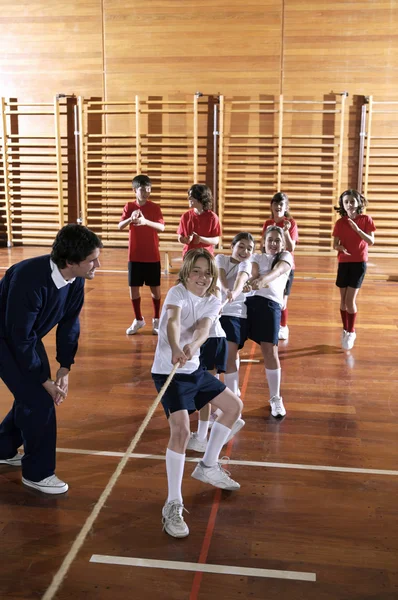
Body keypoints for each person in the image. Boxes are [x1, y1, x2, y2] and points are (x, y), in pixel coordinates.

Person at [0, 224, 103, 494]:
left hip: (23, 338)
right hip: (5, 340)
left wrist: (64, 367)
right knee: (38, 399)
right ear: (70, 262)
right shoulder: (28, 279)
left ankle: (2, 447)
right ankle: (38, 472)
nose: (98, 264)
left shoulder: (76, 279)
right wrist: (41, 379)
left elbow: (69, 324)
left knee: (33, 396)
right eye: (92, 260)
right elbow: (17, 337)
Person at [151, 248, 243, 538]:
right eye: (196, 271)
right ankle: (172, 503)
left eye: (207, 272)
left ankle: (208, 465)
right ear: (186, 272)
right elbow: (173, 322)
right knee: (180, 431)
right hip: (169, 373)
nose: (202, 277)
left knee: (233, 407)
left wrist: (194, 346)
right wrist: (178, 347)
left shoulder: (213, 301)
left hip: (193, 370)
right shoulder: (177, 293)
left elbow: (204, 328)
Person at [245, 225, 293, 418]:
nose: (273, 243)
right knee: (231, 348)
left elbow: (278, 272)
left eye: (277, 240)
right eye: (270, 240)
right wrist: (252, 281)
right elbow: (254, 272)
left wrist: (263, 280)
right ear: (263, 242)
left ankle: (275, 398)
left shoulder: (286, 257)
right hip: (248, 303)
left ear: (282, 243)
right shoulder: (255, 257)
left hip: (270, 305)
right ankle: (230, 393)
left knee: (269, 351)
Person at [118, 174, 165, 335]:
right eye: (142, 189)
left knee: (155, 290)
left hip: (152, 255)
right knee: (133, 289)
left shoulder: (154, 207)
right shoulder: (129, 206)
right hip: (135, 256)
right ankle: (138, 319)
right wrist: (130, 219)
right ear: (134, 190)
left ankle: (156, 319)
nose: (146, 192)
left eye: (148, 189)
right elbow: (120, 226)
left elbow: (161, 227)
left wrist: (146, 222)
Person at [333, 189, 376, 350]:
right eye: (346, 202)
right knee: (343, 302)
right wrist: (340, 247)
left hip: (358, 263)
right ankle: (345, 329)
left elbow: (371, 241)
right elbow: (334, 244)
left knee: (350, 301)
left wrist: (357, 230)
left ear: (358, 202)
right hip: (344, 263)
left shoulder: (366, 219)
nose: (349, 204)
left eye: (352, 201)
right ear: (342, 205)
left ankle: (351, 331)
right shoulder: (340, 223)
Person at [217, 232, 255, 401]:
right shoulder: (220, 259)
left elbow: (240, 280)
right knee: (214, 359)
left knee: (229, 358)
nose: (244, 251)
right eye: (241, 246)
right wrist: (226, 290)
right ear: (231, 246)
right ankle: (216, 396)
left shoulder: (246, 265)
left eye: (249, 249)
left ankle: (233, 402)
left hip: (235, 315)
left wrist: (235, 292)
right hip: (216, 313)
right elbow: (221, 276)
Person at [261, 192, 298, 340]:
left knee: (282, 300)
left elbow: (291, 248)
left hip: (284, 267)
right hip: (270, 265)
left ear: (286, 207)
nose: (278, 207)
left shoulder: (291, 223)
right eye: (275, 204)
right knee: (271, 297)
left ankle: (283, 326)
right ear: (272, 206)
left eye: (281, 204)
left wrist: (287, 232)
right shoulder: (268, 223)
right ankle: (272, 324)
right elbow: (263, 245)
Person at [177, 184, 221, 256]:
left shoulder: (213, 217)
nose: (189, 198)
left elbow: (216, 240)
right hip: (188, 256)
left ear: (200, 198)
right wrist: (185, 240)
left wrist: (200, 239)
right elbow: (179, 237)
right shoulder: (185, 216)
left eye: (191, 196)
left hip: (206, 256)